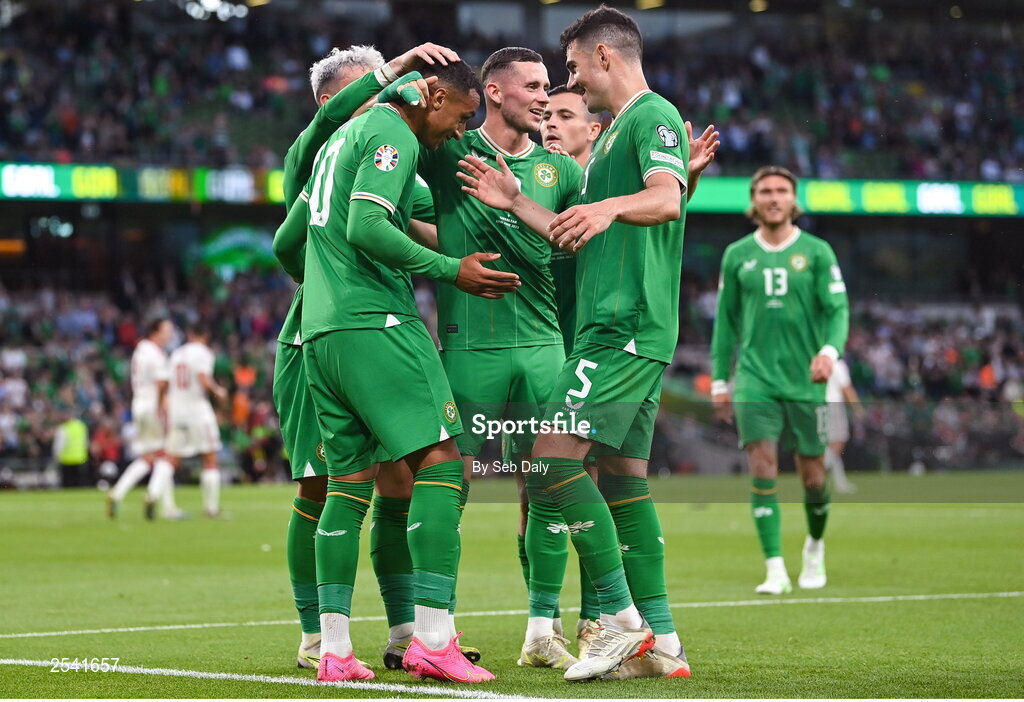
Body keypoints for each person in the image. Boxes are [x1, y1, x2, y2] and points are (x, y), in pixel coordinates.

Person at [458, 5, 718, 681]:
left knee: (549, 464)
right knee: (626, 481)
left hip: (620, 329)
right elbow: (576, 232)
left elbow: (662, 199)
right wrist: (517, 201)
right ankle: (661, 641)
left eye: (571, 67)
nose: (564, 84)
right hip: (624, 329)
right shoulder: (612, 144)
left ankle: (622, 626)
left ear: (605, 56)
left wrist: (612, 204)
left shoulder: (650, 115)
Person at [275, 58, 518, 683]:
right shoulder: (391, 132)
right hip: (376, 321)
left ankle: (332, 651)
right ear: (432, 94)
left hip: (321, 332)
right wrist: (452, 269)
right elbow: (366, 225)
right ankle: (433, 639)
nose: (458, 132)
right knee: (443, 462)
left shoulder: (335, 146)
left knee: (347, 483)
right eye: (461, 117)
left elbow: (293, 239)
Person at [416, 46, 584, 671]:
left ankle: (543, 626)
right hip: (469, 345)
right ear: (494, 92)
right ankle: (438, 629)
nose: (547, 97)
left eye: (549, 86)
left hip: (543, 346)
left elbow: (573, 245)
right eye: (534, 86)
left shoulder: (559, 171)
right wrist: (448, 249)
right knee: (447, 482)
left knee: (544, 486)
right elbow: (403, 212)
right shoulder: (448, 152)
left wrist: (514, 204)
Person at [710, 165, 850, 595]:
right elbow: (725, 324)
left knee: (813, 475)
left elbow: (838, 312)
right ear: (754, 200)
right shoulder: (736, 255)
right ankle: (774, 568)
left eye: (781, 191)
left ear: (793, 200)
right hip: (754, 380)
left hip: (805, 381)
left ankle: (814, 546)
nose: (773, 198)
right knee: (762, 467)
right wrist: (720, 381)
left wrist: (829, 352)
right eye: (765, 191)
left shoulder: (818, 251)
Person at [106, 318, 178, 520]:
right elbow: (161, 383)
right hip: (153, 405)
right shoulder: (155, 353)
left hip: (139, 404)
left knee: (148, 456)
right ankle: (156, 497)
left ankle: (117, 493)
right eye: (167, 330)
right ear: (155, 331)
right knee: (168, 453)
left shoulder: (140, 350)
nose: (170, 334)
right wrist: (164, 408)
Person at [166, 322, 228, 518]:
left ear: (189, 334)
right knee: (210, 458)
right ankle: (211, 508)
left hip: (177, 409)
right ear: (205, 335)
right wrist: (219, 391)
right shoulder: (203, 352)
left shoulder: (176, 354)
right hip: (197, 410)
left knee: (171, 460)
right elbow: (203, 377)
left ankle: (166, 505)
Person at [826, 358, 863, 493]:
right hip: (834, 406)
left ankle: (840, 482)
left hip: (818, 406)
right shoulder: (837, 364)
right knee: (837, 443)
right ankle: (818, 471)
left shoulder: (815, 361)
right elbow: (846, 388)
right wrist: (857, 408)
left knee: (830, 445)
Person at [53, 410, 89, 488]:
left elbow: (58, 446)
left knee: (68, 483)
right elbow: (86, 442)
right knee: (79, 483)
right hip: (81, 458)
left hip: (66, 460)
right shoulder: (82, 426)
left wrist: (56, 457)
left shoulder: (63, 428)